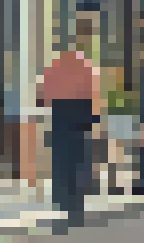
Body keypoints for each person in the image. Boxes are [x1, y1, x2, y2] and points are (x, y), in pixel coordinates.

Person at [38, 31, 101, 229]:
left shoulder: (54, 65)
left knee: (61, 158)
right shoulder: (85, 63)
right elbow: (94, 91)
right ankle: (76, 203)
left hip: (60, 113)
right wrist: (94, 116)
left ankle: (64, 200)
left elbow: (43, 94)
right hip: (80, 112)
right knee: (79, 157)